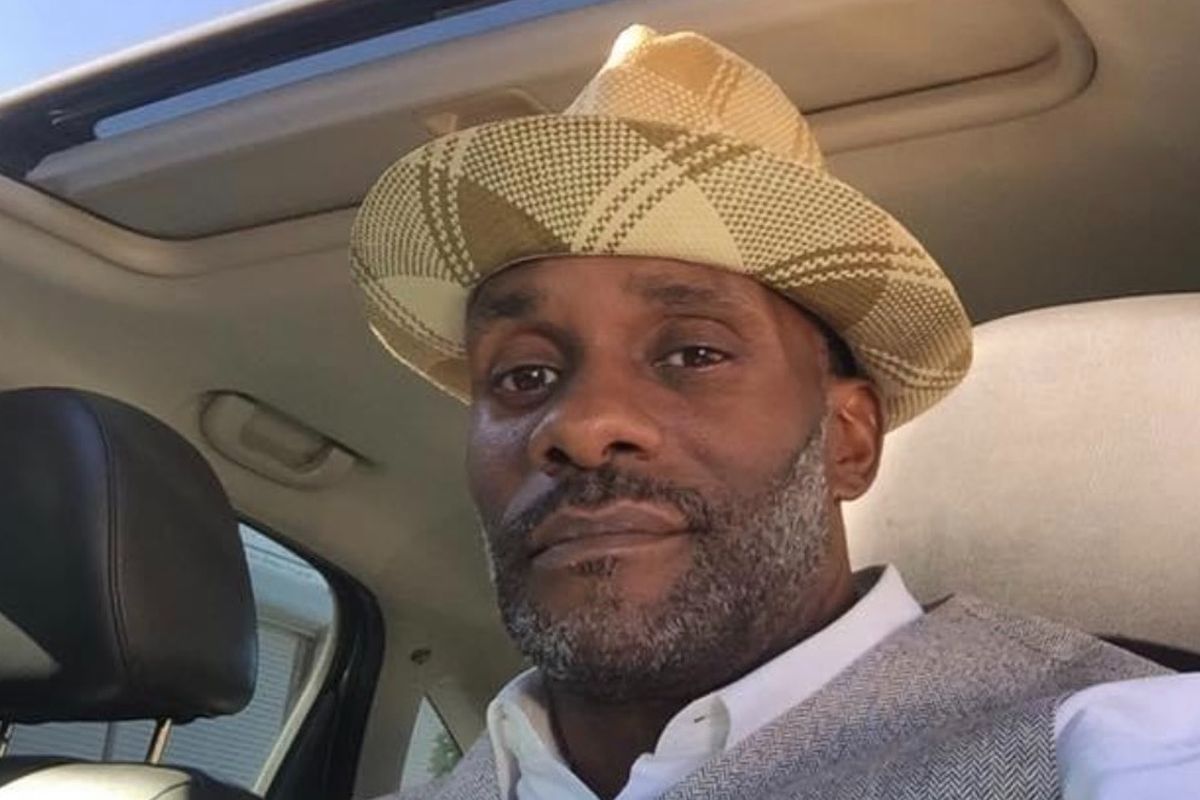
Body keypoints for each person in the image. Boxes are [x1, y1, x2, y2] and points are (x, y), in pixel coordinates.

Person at [351, 24, 1200, 800]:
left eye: (693, 354)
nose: (580, 425)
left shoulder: (1120, 743)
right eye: (525, 374)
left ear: (847, 440)